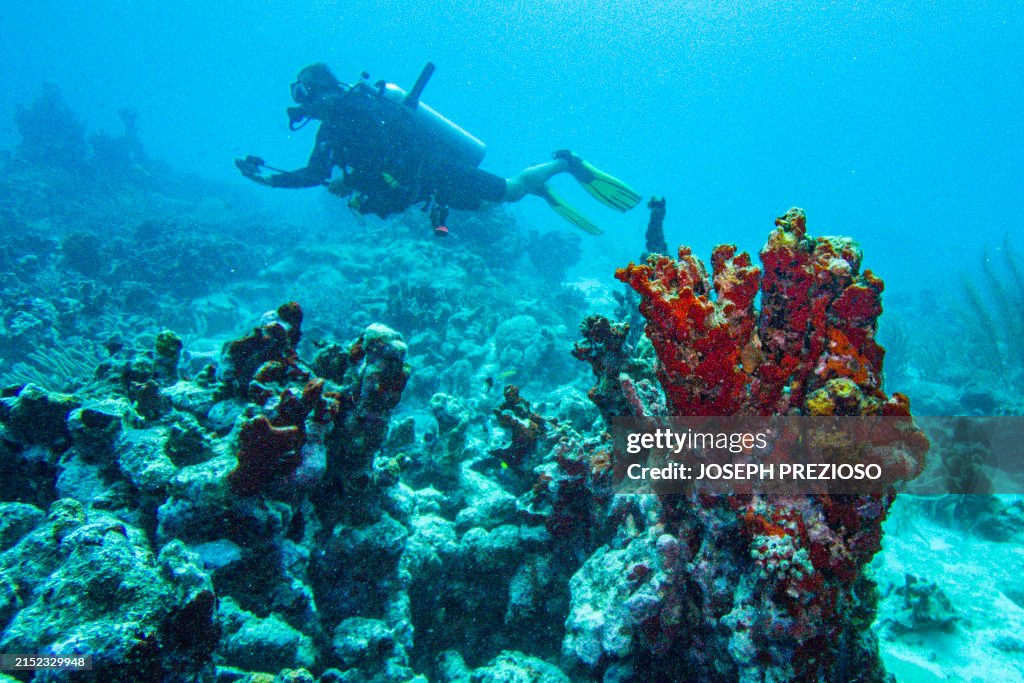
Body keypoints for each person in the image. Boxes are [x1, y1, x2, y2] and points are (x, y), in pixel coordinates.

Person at [236, 63, 641, 235]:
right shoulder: (330, 130)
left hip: (436, 169)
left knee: (510, 192)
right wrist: (270, 181)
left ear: (319, 89)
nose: (300, 102)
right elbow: (314, 174)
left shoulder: (357, 110)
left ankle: (563, 164)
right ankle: (538, 183)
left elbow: (386, 153)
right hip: (422, 185)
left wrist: (350, 180)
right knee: (489, 206)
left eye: (302, 93)